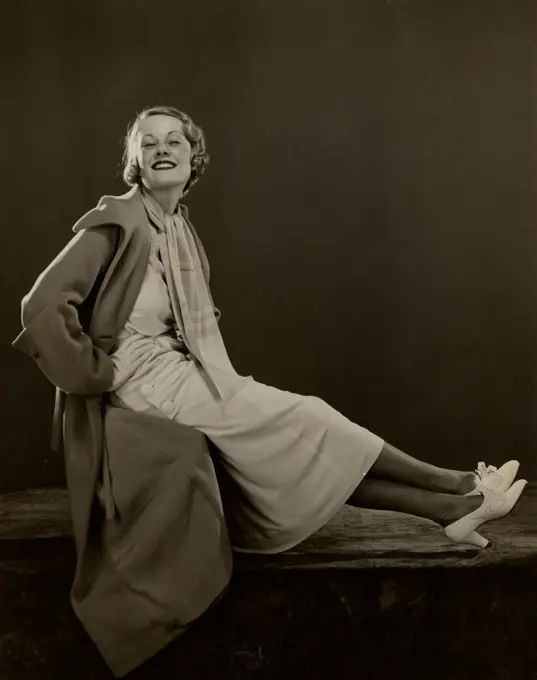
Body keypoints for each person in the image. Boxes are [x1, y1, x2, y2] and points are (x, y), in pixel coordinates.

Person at [12, 105, 527, 675]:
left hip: (188, 375)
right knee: (309, 418)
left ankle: (448, 510)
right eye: (148, 142)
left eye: (174, 142)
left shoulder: (176, 225)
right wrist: (95, 372)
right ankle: (456, 483)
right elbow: (40, 309)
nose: (162, 149)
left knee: (304, 442)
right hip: (147, 387)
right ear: (133, 160)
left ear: (192, 157)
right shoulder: (117, 223)